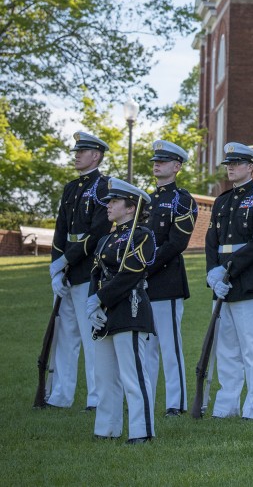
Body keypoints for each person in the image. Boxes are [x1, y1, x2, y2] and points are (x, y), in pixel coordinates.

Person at [205, 142, 253, 420]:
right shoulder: (222, 200)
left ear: (250, 166)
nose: (230, 168)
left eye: (236, 164)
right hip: (221, 282)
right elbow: (211, 240)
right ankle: (227, 405)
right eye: (228, 164)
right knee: (226, 349)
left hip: (249, 280)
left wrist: (227, 270)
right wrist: (212, 272)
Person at [86, 177, 157, 443]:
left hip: (130, 308)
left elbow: (131, 273)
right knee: (103, 375)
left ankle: (142, 430)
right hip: (104, 312)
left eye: (114, 201)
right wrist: (92, 301)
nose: (109, 206)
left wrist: (100, 299)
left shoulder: (142, 235)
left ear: (131, 208)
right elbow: (96, 273)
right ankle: (107, 428)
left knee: (133, 375)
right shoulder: (106, 239)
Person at [47, 130, 111, 410]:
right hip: (67, 270)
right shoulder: (71, 188)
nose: (76, 156)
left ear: (95, 155)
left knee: (90, 337)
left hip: (88, 269)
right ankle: (60, 395)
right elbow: (61, 228)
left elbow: (98, 231)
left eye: (81, 152)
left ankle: (96, 399)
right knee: (64, 336)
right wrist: (56, 265)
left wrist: (67, 260)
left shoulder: (103, 187)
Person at [145, 139, 198, 416]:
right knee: (147, 345)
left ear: (177, 166)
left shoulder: (182, 199)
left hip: (167, 280)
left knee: (170, 345)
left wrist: (146, 265)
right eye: (155, 161)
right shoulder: (147, 200)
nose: (157, 165)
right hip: (143, 282)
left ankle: (175, 404)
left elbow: (177, 243)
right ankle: (147, 400)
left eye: (162, 161)